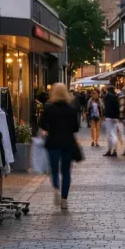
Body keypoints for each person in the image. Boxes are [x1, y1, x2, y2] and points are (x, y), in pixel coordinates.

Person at [38, 82, 80, 210]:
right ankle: (64, 199)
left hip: (53, 142)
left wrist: (49, 129)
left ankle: (56, 188)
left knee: (54, 170)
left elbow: (42, 123)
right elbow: (76, 128)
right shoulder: (71, 109)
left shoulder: (48, 108)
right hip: (68, 143)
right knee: (66, 172)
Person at [102, 85, 121, 157]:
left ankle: (109, 150)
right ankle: (115, 151)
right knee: (114, 134)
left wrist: (105, 114)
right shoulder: (116, 96)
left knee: (109, 134)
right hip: (115, 117)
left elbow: (107, 107)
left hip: (109, 117)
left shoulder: (107, 96)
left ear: (107, 90)